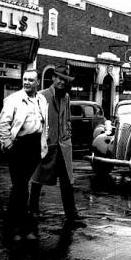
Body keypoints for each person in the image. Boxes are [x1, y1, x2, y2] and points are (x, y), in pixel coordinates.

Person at [29, 65, 85, 228]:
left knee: (67, 181)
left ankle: (72, 215)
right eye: (59, 78)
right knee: (37, 179)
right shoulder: (42, 96)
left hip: (63, 146)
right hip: (47, 145)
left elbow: (67, 118)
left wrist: (68, 131)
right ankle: (32, 210)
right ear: (53, 78)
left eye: (65, 80)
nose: (62, 82)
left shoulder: (66, 97)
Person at [0, 69, 48, 242]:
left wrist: (43, 144)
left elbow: (44, 124)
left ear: (37, 83)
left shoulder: (41, 100)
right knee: (20, 187)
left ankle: (12, 227)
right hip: (18, 145)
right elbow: (3, 125)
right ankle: (19, 228)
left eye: (31, 80)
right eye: (25, 79)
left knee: (20, 187)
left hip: (35, 146)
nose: (27, 82)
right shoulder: (13, 100)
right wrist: (8, 144)